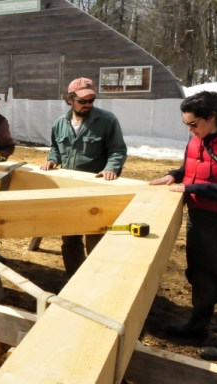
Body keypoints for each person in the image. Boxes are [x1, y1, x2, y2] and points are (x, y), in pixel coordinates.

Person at [150, 91, 217, 361]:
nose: (189, 129)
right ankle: (198, 324)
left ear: (212, 117)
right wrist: (173, 175)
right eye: (186, 124)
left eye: (193, 124)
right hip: (198, 218)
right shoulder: (197, 136)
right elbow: (189, 167)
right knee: (199, 274)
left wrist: (194, 187)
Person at [40, 77, 128, 275]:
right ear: (70, 99)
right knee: (70, 239)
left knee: (95, 238)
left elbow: (118, 151)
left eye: (91, 100)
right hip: (69, 190)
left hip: (96, 191)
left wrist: (111, 168)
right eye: (82, 101)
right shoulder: (60, 124)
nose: (88, 104)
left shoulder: (107, 121)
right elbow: (55, 147)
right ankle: (74, 277)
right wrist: (52, 159)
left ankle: (96, 279)